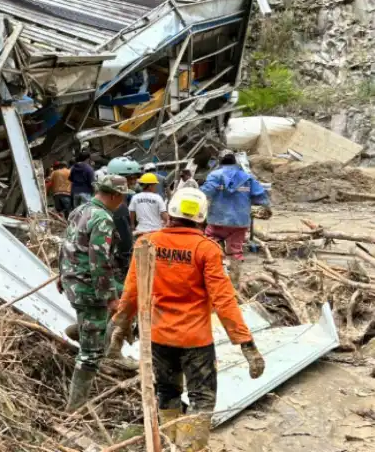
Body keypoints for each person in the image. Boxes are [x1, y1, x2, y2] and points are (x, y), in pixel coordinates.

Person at [109, 188, 265, 452]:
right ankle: (189, 449)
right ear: (202, 218)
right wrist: (246, 344)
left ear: (170, 213)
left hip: (159, 338)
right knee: (201, 399)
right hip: (195, 341)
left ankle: (169, 444)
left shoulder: (148, 243)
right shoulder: (206, 249)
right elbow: (223, 300)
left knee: (167, 393)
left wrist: (120, 327)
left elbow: (132, 292)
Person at [58, 174, 131, 411]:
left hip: (73, 282)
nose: (122, 203)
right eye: (121, 198)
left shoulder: (79, 211)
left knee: (129, 297)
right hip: (89, 289)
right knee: (91, 354)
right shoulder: (102, 219)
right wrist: (110, 296)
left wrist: (61, 275)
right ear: (113, 195)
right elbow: (99, 261)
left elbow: (66, 245)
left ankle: (84, 330)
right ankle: (76, 408)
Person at [199, 150, 271, 288]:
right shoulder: (246, 177)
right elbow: (261, 196)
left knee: (211, 247)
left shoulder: (215, 175)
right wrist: (265, 207)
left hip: (217, 220)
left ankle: (214, 281)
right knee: (236, 251)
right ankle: (235, 284)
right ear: (235, 162)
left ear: (220, 162)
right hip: (240, 222)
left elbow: (205, 192)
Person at [106, 157, 142, 285]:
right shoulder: (118, 205)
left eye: (135, 177)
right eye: (129, 178)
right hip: (115, 259)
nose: (134, 181)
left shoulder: (115, 199)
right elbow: (124, 239)